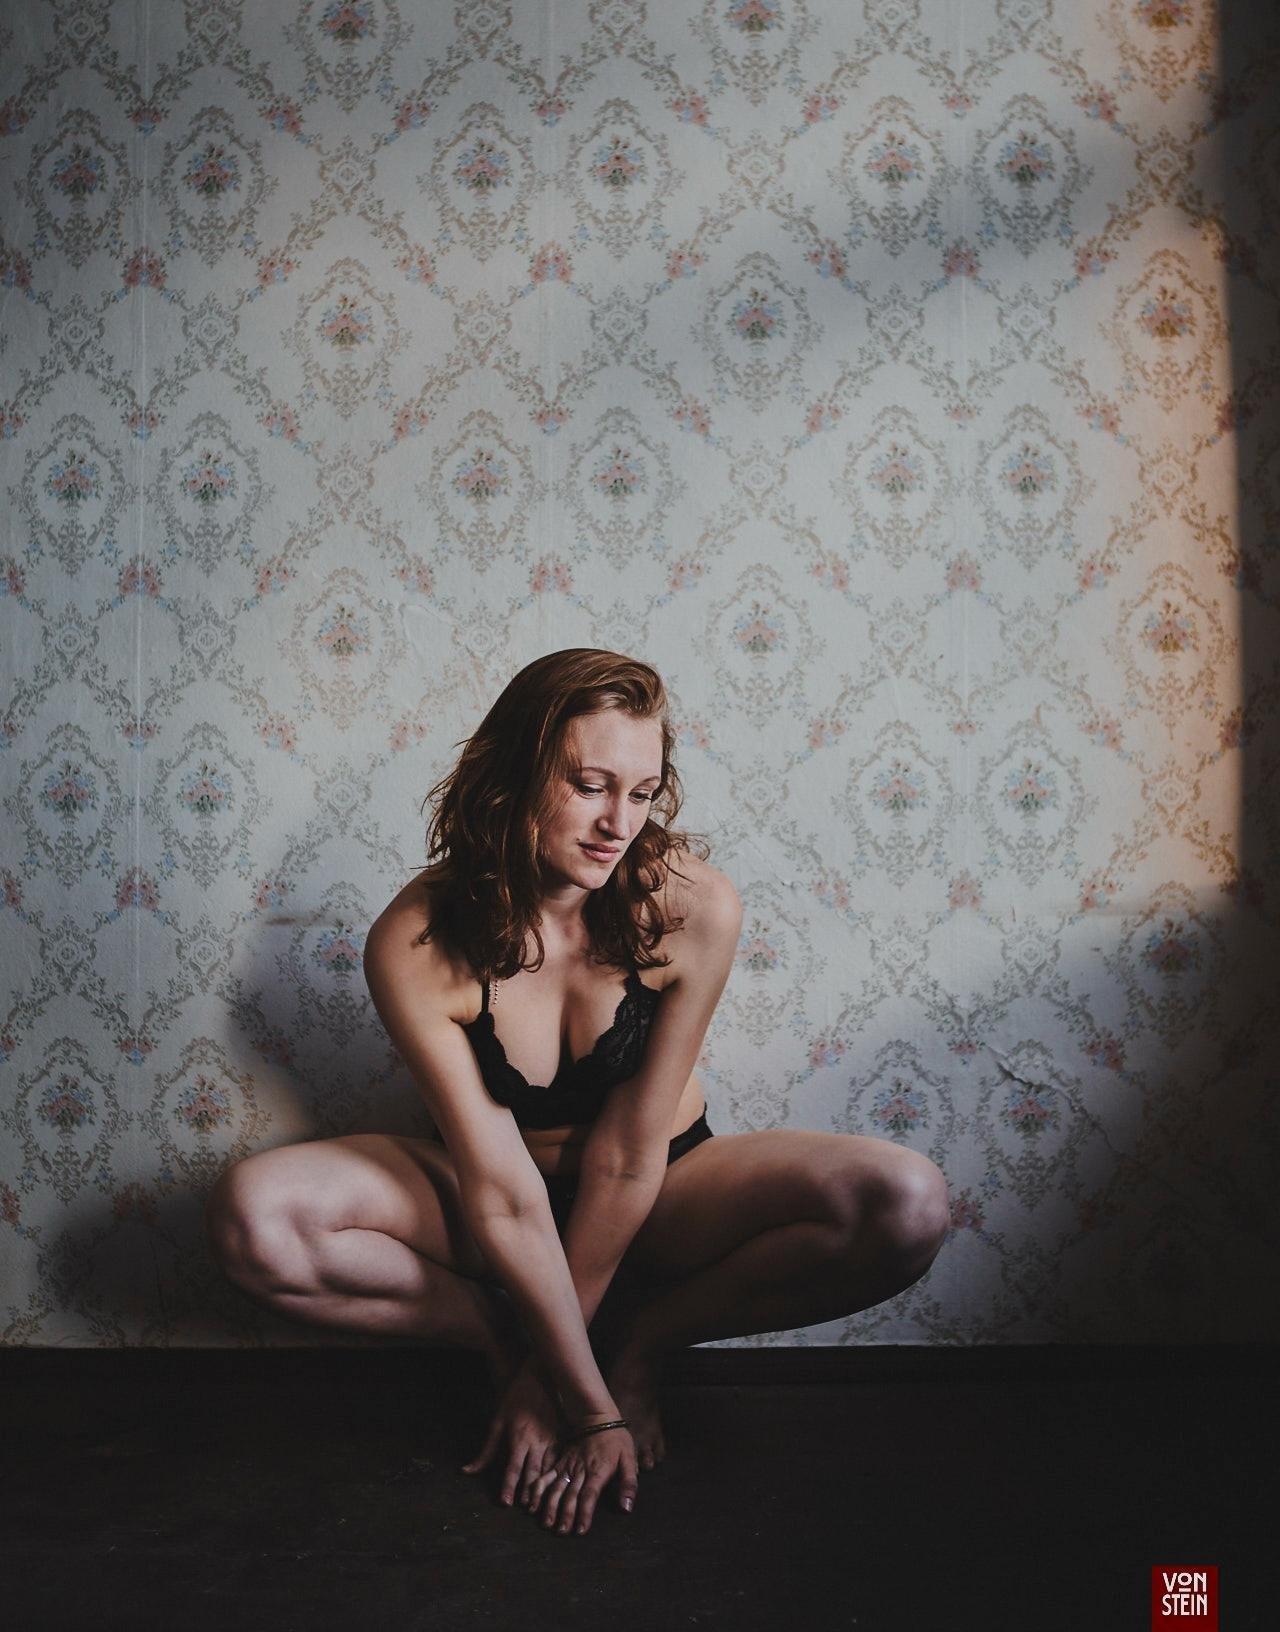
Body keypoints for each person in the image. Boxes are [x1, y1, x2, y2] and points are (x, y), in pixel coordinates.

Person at [205, 647, 950, 1538]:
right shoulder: (414, 940)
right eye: (591, 785)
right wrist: (564, 1390)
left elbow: (631, 1156)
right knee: (257, 1217)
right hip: (494, 1199)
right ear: (512, 775)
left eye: (641, 792)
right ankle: (495, 1338)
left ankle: (642, 1342)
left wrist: (581, 1388)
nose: (618, 823)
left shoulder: (694, 908)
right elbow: (500, 1188)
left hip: (662, 1189)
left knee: (905, 1204)